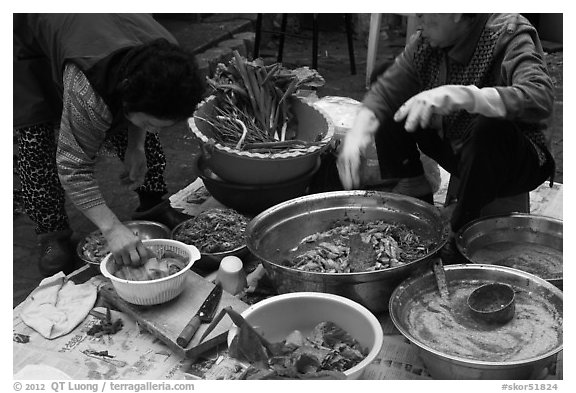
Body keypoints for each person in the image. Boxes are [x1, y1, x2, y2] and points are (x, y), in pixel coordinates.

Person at [337, 14, 555, 261]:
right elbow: (386, 91)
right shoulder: (427, 41)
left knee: (490, 127)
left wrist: (464, 96)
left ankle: (460, 225)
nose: (419, 20)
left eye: (425, 14)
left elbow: (540, 96)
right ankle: (413, 181)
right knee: (383, 74)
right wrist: (355, 138)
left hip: (516, 158)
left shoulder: (509, 34)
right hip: (459, 144)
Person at [14, 14, 205, 276]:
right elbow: (73, 167)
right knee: (35, 140)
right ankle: (52, 235)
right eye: (151, 121)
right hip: (31, 39)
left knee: (144, 128)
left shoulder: (168, 60)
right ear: (126, 94)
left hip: (98, 36)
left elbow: (143, 104)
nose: (156, 131)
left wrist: (136, 145)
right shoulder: (87, 92)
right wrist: (112, 228)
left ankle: (153, 205)